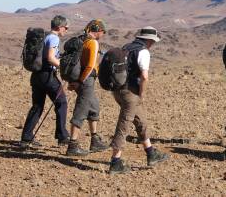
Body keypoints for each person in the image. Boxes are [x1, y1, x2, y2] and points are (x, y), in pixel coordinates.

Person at [108, 26, 169, 174]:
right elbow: (144, 76)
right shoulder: (143, 52)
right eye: (153, 42)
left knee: (140, 120)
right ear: (148, 40)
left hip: (117, 91)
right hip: (130, 93)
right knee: (124, 125)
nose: (152, 44)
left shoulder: (126, 47)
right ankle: (115, 163)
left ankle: (151, 153)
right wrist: (141, 94)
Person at [20, 15, 71, 148]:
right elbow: (50, 58)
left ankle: (26, 137)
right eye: (66, 27)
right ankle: (62, 136)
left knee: (37, 106)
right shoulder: (54, 38)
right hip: (47, 75)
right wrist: (63, 67)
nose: (66, 30)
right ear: (59, 27)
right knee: (61, 102)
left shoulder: (45, 36)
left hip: (36, 75)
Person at [65, 19, 110, 156]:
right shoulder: (93, 42)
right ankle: (72, 145)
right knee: (81, 110)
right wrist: (79, 81)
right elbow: (90, 66)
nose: (103, 35)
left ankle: (95, 140)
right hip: (86, 81)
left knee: (94, 107)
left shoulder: (81, 40)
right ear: (98, 30)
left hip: (81, 79)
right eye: (103, 32)